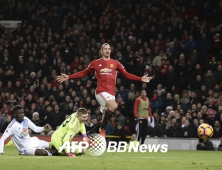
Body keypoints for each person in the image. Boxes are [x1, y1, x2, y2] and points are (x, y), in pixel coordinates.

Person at [56, 43, 153, 137]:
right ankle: (102, 128)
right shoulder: (96, 62)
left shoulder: (115, 63)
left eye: (109, 49)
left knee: (105, 118)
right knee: (114, 105)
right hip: (101, 92)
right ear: (101, 51)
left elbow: (126, 74)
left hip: (111, 94)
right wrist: (69, 77)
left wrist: (140, 78)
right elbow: (84, 72)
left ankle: (92, 133)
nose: (107, 50)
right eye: (105, 49)